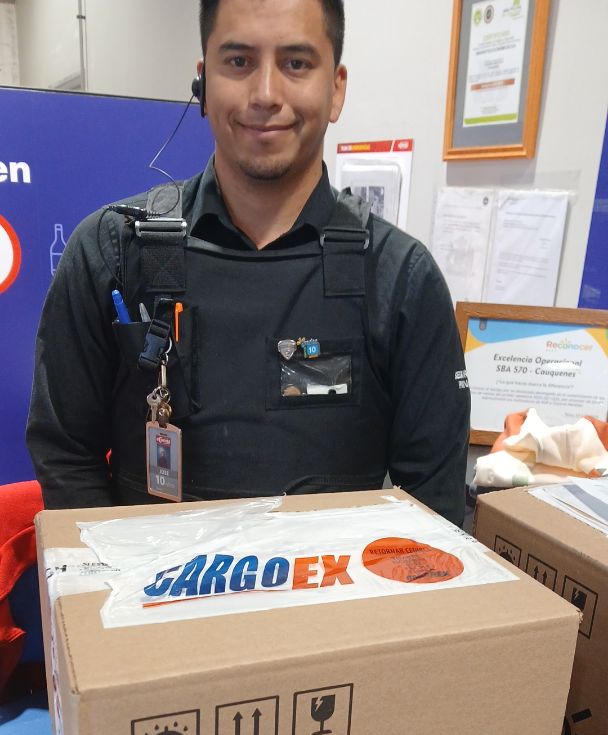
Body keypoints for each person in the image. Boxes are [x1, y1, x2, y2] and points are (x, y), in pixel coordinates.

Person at [26, 0, 470, 524]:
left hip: (331, 577)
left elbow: (433, 509)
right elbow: (66, 454)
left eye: (296, 63)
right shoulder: (110, 253)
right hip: (148, 576)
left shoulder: (401, 282)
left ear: (336, 89)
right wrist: (112, 570)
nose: (265, 94)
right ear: (203, 84)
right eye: (238, 62)